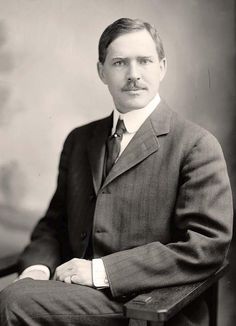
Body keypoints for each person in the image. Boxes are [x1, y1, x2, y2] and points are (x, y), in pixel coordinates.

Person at [0, 17, 233, 326]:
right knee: (19, 294)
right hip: (73, 297)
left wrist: (101, 272)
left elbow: (206, 246)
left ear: (162, 67)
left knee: (14, 303)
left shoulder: (196, 145)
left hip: (150, 307)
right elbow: (53, 224)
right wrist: (36, 271)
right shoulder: (81, 140)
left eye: (145, 61)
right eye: (120, 62)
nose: (134, 75)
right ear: (102, 72)